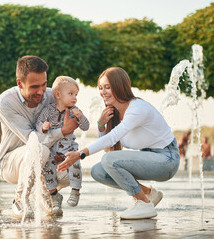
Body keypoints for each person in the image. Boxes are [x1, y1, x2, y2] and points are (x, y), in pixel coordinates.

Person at [57, 67, 180, 220]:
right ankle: (148, 194)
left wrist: (79, 154)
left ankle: (143, 204)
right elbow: (109, 150)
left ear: (119, 86)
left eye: (107, 87)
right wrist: (101, 125)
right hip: (151, 157)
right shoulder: (114, 113)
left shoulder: (137, 108)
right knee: (99, 171)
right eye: (101, 88)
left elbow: (111, 140)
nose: (103, 92)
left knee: (109, 161)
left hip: (167, 160)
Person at [0, 55, 78, 218]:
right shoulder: (6, 101)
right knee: (40, 149)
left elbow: (71, 121)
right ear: (20, 83)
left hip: (43, 155)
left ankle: (45, 192)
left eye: (44, 84)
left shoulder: (52, 95)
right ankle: (20, 199)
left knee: (72, 166)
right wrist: (61, 131)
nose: (41, 91)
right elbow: (32, 139)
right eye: (34, 87)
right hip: (10, 162)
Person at [36, 76, 89, 213]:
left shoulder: (74, 110)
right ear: (58, 95)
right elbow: (38, 123)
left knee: (75, 163)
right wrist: (43, 126)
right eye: (70, 94)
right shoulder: (49, 110)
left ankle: (75, 191)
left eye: (76, 95)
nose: (74, 98)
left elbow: (86, 126)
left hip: (69, 147)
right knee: (47, 169)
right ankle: (54, 195)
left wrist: (80, 117)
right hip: (53, 148)